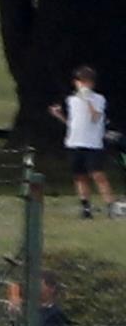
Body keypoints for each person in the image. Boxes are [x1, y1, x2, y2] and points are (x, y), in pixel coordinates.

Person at [49, 66, 114, 219]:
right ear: (76, 83)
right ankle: (85, 206)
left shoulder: (98, 99)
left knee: (98, 175)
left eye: (87, 82)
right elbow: (73, 123)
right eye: (81, 82)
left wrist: (87, 100)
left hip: (92, 144)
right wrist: (59, 115)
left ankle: (110, 205)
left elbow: (95, 117)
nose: (84, 85)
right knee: (80, 176)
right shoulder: (72, 100)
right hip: (74, 142)